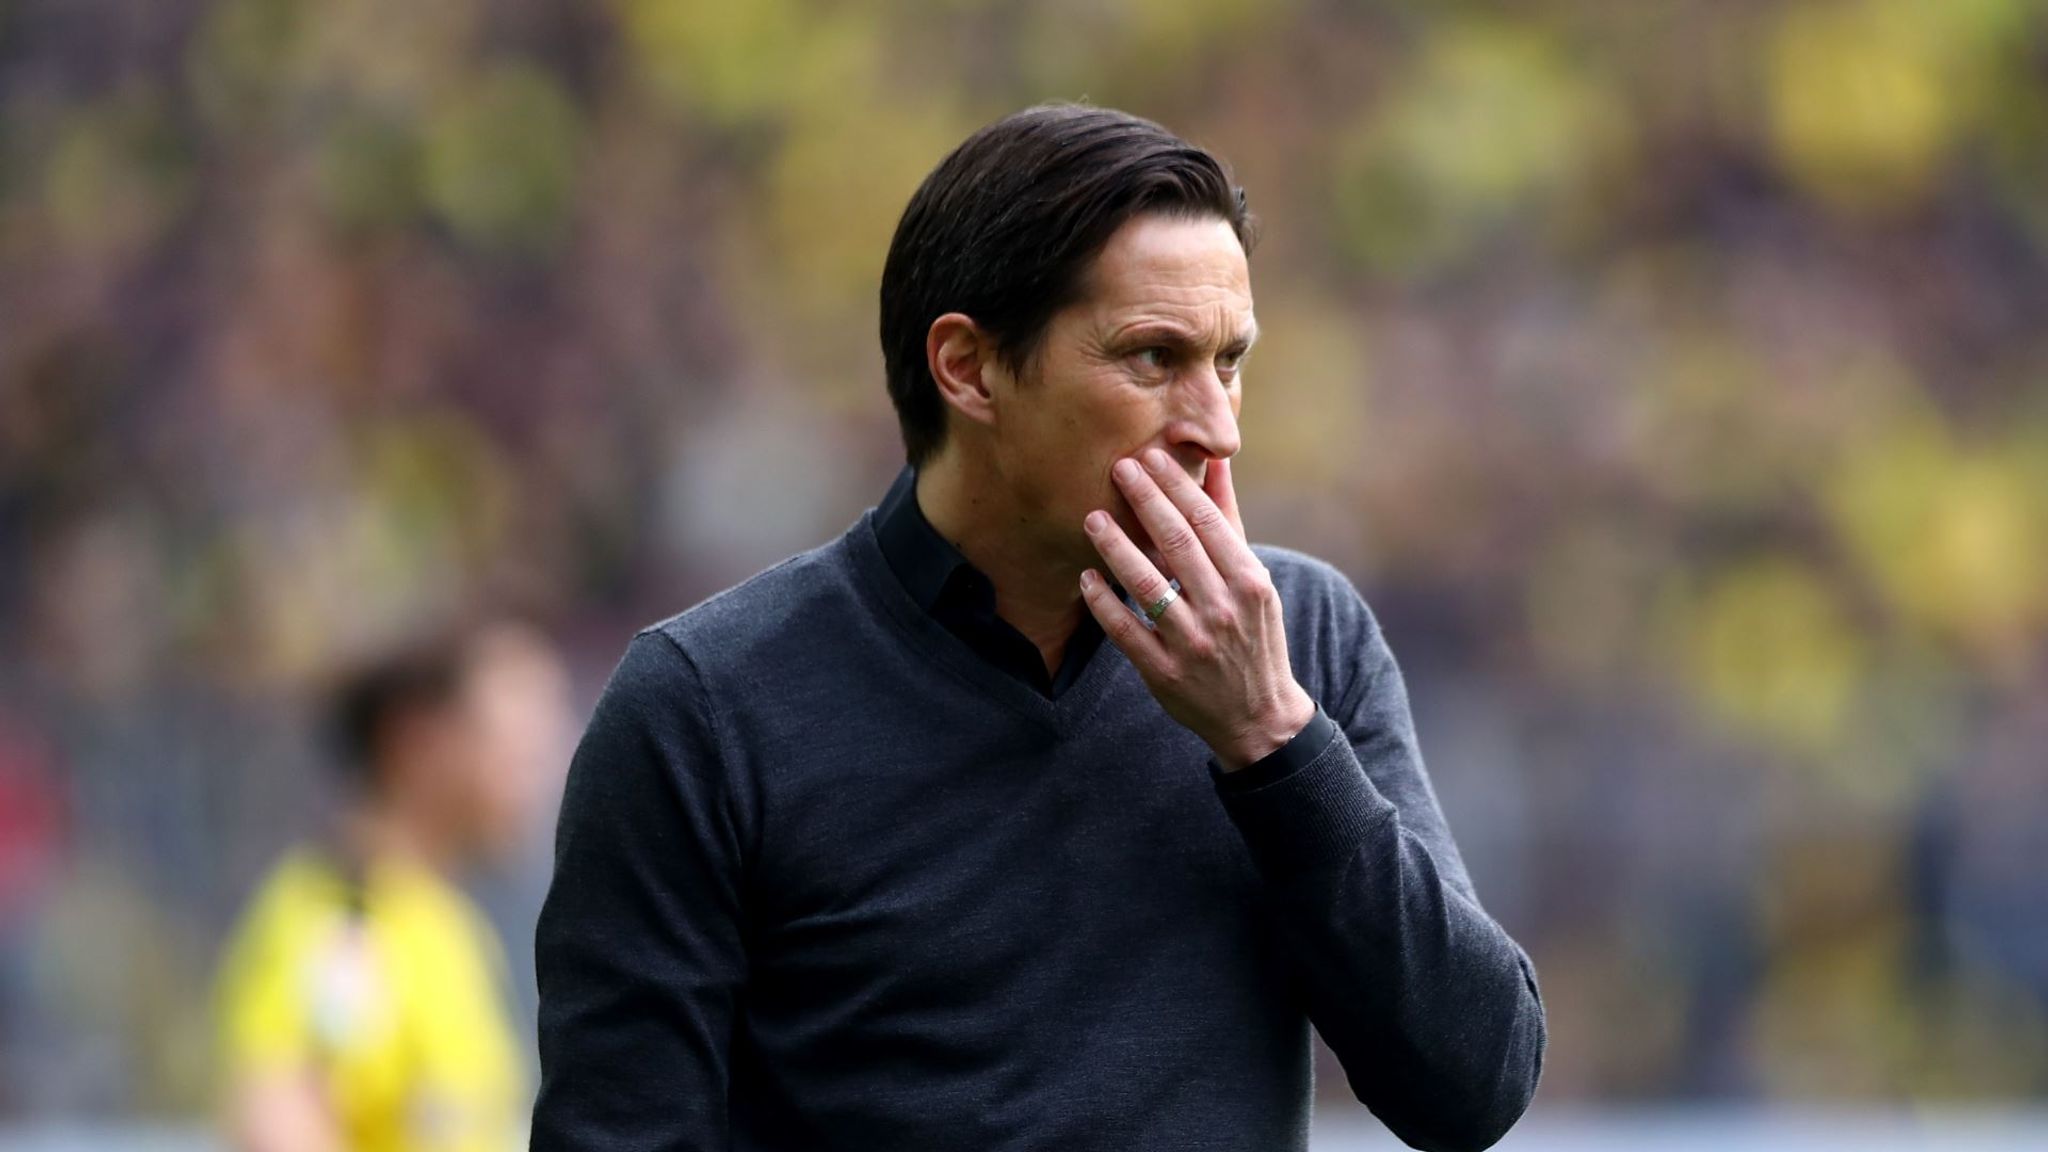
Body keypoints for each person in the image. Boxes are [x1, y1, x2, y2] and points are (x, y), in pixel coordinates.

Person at [533, 103, 1545, 1151]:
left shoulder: (1301, 643)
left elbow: (1470, 1089)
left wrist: (1270, 744)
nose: (1218, 425)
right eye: (1153, 358)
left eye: (1228, 359)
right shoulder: (705, 704)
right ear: (967, 369)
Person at [216, 620, 571, 1152]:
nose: (540, 774)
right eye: (514, 743)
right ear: (417, 740)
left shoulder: (445, 923)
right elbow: (278, 1121)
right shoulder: (344, 926)